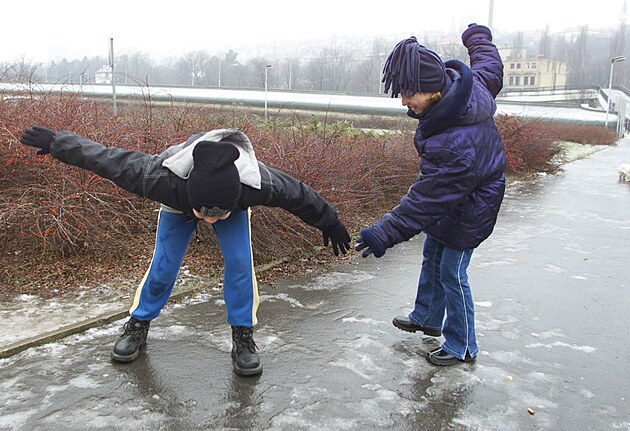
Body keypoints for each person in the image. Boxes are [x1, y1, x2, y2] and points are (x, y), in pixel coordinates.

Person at [19, 126, 351, 376]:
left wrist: (330, 222)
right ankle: (138, 324)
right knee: (164, 265)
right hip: (179, 199)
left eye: (217, 215)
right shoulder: (161, 178)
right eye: (204, 214)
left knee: (239, 264)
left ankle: (243, 336)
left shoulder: (256, 184)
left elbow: (299, 194)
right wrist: (57, 143)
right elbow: (107, 159)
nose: (210, 221)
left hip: (228, 201)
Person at [355, 24, 506, 366]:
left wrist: (385, 232)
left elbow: (425, 201)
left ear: (432, 90)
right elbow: (490, 66)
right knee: (433, 251)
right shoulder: (466, 87)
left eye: (409, 93)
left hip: (473, 205)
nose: (403, 101)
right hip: (456, 193)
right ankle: (427, 317)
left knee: (452, 270)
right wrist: (478, 39)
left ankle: (462, 345)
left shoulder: (455, 146)